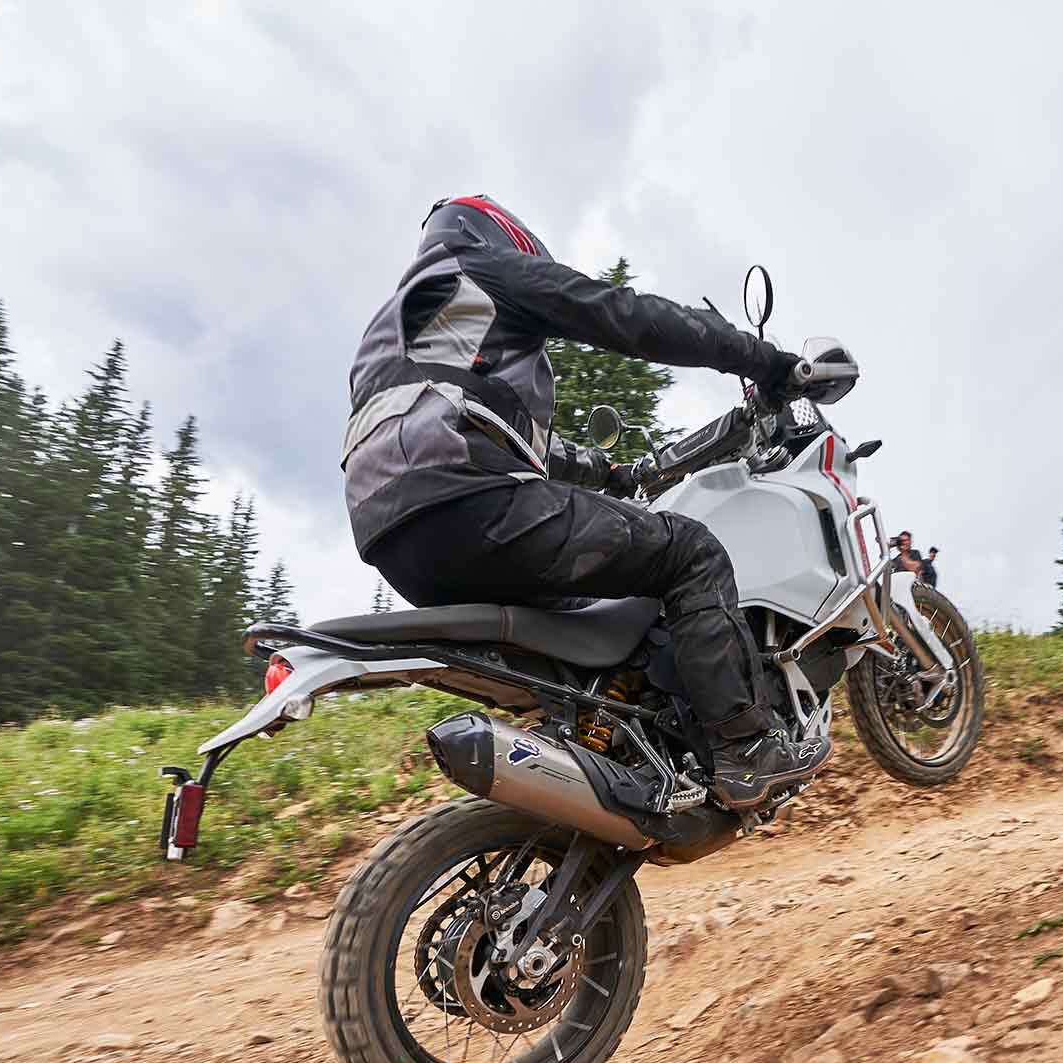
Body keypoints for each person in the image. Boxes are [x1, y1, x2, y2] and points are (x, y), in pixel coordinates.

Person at [344, 195, 828, 809]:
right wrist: (763, 361)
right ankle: (746, 748)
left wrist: (608, 470)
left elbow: (480, 415)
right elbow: (620, 314)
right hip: (475, 506)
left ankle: (618, 755)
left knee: (601, 620)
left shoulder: (418, 317)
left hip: (398, 540)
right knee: (692, 554)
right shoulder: (478, 269)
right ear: (500, 234)